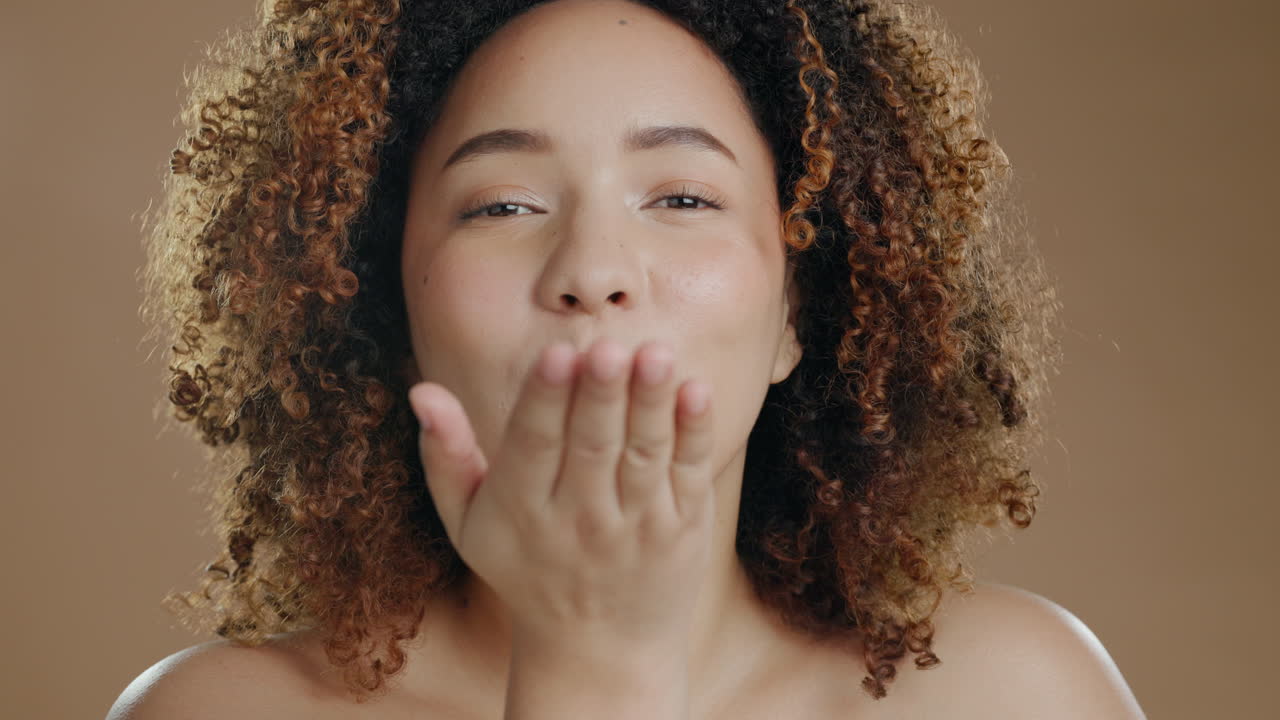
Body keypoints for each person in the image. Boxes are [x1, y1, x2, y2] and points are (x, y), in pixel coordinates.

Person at [111, 0, 1146, 718]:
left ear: (797, 314)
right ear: (381, 308)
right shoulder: (215, 713)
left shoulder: (1014, 695)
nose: (593, 270)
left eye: (681, 198)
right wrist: (592, 657)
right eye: (502, 204)